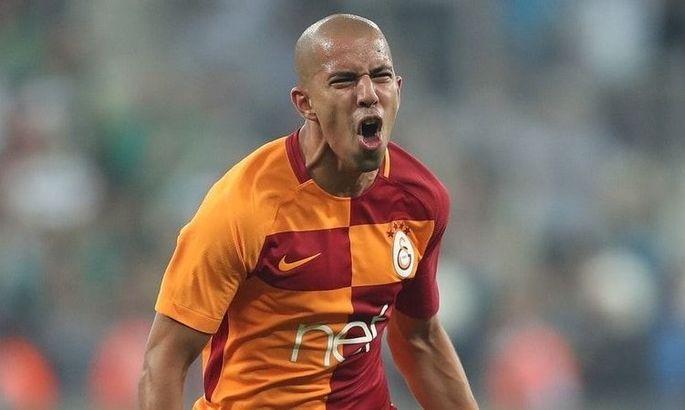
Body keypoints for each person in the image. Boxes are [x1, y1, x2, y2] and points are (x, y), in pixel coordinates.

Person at [139, 13, 478, 410]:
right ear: (305, 103)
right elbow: (165, 358)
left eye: (381, 76)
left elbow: (419, 339)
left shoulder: (420, 200)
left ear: (398, 90)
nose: (368, 94)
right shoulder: (244, 206)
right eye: (344, 80)